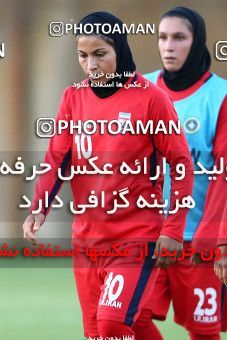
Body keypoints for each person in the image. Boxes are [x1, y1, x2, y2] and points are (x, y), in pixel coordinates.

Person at [22, 11, 194, 339]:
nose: (91, 65)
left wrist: (173, 229)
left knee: (113, 322)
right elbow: (56, 159)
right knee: (110, 330)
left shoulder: (151, 99)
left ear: (121, 50)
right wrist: (38, 207)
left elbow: (182, 163)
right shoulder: (73, 98)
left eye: (100, 54)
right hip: (87, 243)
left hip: (136, 237)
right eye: (83, 56)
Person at [144, 6, 227, 340]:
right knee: (123, 316)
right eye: (163, 37)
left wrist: (218, 240)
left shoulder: (219, 96)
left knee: (202, 331)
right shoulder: (140, 88)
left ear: (197, 41)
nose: (169, 46)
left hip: (197, 240)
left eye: (179, 37)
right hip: (146, 233)